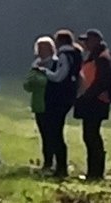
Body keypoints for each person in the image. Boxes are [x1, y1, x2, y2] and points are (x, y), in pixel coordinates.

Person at [39, 29, 82, 178]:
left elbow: (59, 76)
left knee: (55, 133)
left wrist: (44, 71)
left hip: (59, 99)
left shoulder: (64, 56)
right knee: (57, 132)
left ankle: (61, 168)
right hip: (68, 97)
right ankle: (59, 166)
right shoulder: (76, 55)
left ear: (59, 42)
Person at [74, 28, 111, 180]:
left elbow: (101, 81)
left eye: (87, 40)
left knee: (92, 136)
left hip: (95, 103)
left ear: (95, 41)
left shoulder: (102, 58)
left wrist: (86, 96)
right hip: (92, 102)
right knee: (90, 136)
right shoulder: (96, 56)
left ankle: (96, 172)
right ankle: (93, 171)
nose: (84, 44)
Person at [24, 36, 56, 172]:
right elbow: (27, 84)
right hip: (38, 104)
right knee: (44, 134)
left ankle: (54, 163)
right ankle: (47, 162)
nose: (42, 51)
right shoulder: (35, 65)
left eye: (45, 48)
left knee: (52, 134)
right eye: (40, 48)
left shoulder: (55, 64)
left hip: (51, 103)